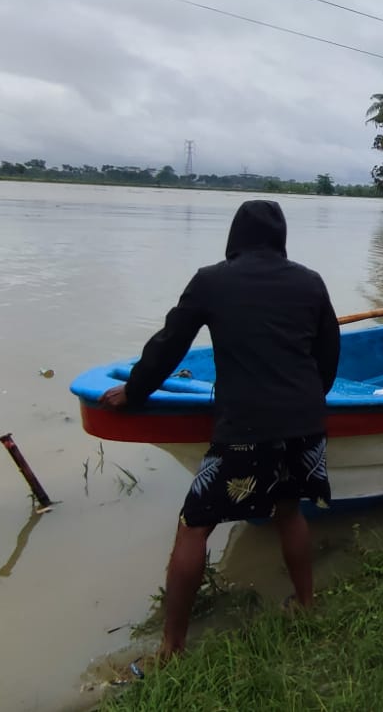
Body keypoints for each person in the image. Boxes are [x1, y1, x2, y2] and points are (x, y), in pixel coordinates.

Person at [98, 200, 340, 660]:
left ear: (235, 237)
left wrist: (135, 391)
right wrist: (306, 403)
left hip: (246, 426)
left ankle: (172, 647)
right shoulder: (310, 282)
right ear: (280, 238)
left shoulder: (212, 281)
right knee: (288, 511)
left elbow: (170, 345)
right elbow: (328, 353)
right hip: (305, 423)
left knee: (194, 525)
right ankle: (306, 605)